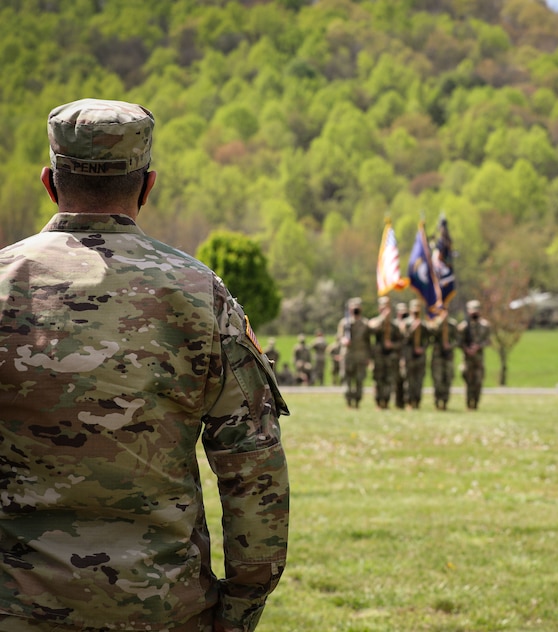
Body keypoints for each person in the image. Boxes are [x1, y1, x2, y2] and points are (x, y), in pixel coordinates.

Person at [0, 98, 290, 631]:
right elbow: (253, 469)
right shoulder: (200, 294)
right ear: (147, 186)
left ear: (49, 180)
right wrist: (240, 611)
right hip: (163, 609)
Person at [369, 296, 404, 409]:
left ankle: (387, 401)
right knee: (378, 379)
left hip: (390, 357)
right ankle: (378, 401)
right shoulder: (375, 322)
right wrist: (383, 318)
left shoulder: (394, 326)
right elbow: (372, 330)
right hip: (378, 357)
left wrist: (392, 345)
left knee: (389, 380)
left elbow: (401, 342)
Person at [336, 297, 372, 408]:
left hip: (360, 356)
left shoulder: (365, 324)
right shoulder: (344, 323)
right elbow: (339, 337)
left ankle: (357, 402)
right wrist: (344, 340)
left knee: (359, 380)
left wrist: (368, 357)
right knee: (347, 379)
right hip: (348, 356)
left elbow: (368, 341)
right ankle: (348, 401)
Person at [458, 299, 490, 410]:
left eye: (476, 311)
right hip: (467, 359)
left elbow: (488, 341)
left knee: (478, 381)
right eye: (472, 311)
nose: (474, 313)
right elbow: (459, 342)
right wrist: (466, 349)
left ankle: (476, 403)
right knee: (468, 381)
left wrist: (478, 346)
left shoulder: (485, 325)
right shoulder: (463, 327)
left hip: (479, 359)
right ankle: (468, 404)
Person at [430, 307, 458, 410]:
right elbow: (432, 334)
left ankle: (445, 402)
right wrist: (442, 321)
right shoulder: (435, 323)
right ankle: (437, 401)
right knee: (438, 380)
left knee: (448, 379)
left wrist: (450, 345)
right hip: (437, 357)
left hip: (448, 357)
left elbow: (458, 340)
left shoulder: (452, 324)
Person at [404, 299, 429, 409]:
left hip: (420, 357)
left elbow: (428, 339)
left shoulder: (424, 324)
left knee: (419, 380)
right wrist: (413, 328)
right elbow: (403, 339)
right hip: (409, 357)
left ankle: (417, 401)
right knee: (409, 380)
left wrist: (422, 348)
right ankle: (409, 401)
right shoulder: (405, 323)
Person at [394, 301, 409, 409]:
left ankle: (406, 401)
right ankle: (397, 402)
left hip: (407, 356)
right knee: (396, 381)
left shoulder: (410, 324)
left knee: (406, 380)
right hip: (395, 356)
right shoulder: (392, 324)